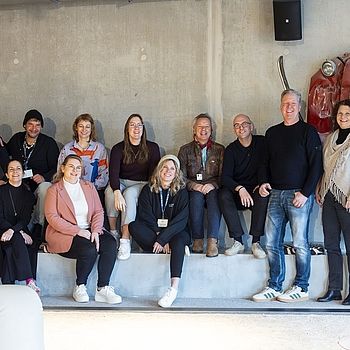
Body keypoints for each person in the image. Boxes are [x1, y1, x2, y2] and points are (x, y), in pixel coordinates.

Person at [252, 89, 323, 303]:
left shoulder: (308, 132)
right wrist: (264, 182)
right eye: (285, 104)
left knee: (300, 242)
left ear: (299, 107)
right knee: (272, 243)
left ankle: (301, 287)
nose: (289, 107)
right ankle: (274, 286)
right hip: (275, 194)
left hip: (298, 195)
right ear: (280, 106)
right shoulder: (272, 133)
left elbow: (316, 166)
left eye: (293, 104)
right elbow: (264, 162)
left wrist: (305, 193)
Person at [45, 154, 121, 304]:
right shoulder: (54, 190)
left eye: (78, 167)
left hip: (89, 229)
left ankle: (102, 288)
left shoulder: (88, 186)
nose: (75, 170)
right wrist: (78, 231)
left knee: (111, 244)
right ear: (63, 168)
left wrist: (95, 231)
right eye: (71, 167)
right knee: (88, 249)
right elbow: (52, 218)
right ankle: (80, 286)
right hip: (65, 233)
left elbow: (99, 211)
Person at [129, 155, 190, 308]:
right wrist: (160, 236)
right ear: (159, 170)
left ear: (176, 172)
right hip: (154, 233)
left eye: (172, 168)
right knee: (134, 226)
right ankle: (173, 249)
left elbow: (180, 220)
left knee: (179, 239)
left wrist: (165, 238)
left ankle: (173, 289)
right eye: (164, 167)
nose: (168, 171)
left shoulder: (181, 191)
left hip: (176, 232)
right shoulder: (148, 189)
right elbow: (145, 215)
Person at [105, 114, 161, 260]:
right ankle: (113, 233)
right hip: (122, 181)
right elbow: (113, 174)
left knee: (129, 194)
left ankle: (125, 239)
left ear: (143, 129)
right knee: (110, 191)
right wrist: (117, 192)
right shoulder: (118, 148)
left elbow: (154, 175)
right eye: (132, 125)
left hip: (142, 184)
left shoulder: (152, 147)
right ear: (127, 129)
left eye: (139, 125)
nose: (136, 128)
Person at [219, 114, 268, 259]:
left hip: (255, 191)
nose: (241, 127)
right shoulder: (231, 149)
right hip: (238, 193)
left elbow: (270, 165)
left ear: (251, 126)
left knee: (263, 194)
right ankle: (238, 241)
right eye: (237, 125)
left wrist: (262, 183)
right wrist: (240, 188)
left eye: (244, 124)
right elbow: (225, 177)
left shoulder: (263, 143)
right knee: (222, 194)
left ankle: (256, 242)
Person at [316, 99, 350, 305]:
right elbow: (325, 168)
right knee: (331, 245)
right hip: (329, 195)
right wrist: (320, 188)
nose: (343, 118)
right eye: (340, 114)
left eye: (347, 114)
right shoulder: (331, 138)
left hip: (346, 197)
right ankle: (335, 289)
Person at [178, 113, 224, 257]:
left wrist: (214, 185)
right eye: (200, 126)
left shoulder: (220, 149)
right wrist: (194, 186)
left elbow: (224, 175)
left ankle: (212, 241)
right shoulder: (185, 150)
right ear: (194, 129)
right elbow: (180, 177)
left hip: (213, 186)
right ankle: (197, 239)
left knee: (214, 199)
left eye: (207, 126)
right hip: (193, 186)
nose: (203, 129)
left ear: (211, 130)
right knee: (196, 199)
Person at [6, 110, 59, 231]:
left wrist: (44, 177)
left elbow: (56, 167)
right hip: (18, 185)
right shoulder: (16, 139)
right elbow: (5, 154)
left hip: (37, 186)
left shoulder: (48, 143)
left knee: (45, 187)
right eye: (30, 124)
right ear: (25, 125)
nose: (34, 128)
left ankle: (39, 225)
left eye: (38, 125)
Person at [0, 160, 40, 293]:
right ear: (6, 174)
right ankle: (29, 280)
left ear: (23, 173)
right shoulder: (1, 191)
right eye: (11, 169)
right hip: (2, 229)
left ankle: (7, 282)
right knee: (17, 239)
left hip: (18, 229)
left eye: (18, 169)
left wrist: (15, 230)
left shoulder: (28, 194)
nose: (15, 171)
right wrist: (14, 231)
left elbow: (25, 218)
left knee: (15, 245)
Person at [57, 113, 109, 203]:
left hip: (93, 191)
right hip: (70, 191)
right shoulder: (67, 149)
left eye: (87, 127)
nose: (84, 129)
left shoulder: (100, 149)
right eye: (81, 126)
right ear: (76, 128)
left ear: (91, 129)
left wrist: (90, 186)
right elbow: (60, 172)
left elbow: (104, 173)